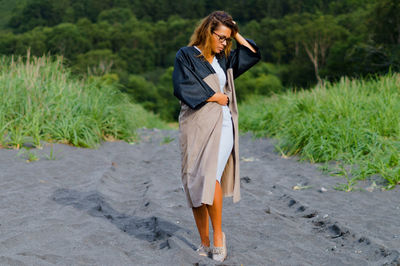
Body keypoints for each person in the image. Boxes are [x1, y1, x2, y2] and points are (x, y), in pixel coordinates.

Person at [172, 10, 260, 262]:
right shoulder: (186, 55)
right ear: (207, 32)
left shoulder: (224, 59)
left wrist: (234, 30)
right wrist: (215, 96)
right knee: (194, 181)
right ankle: (204, 240)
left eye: (227, 39)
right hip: (194, 124)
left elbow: (253, 53)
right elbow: (181, 86)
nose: (223, 43)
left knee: (209, 178)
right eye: (220, 37)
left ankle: (219, 235)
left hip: (221, 124)